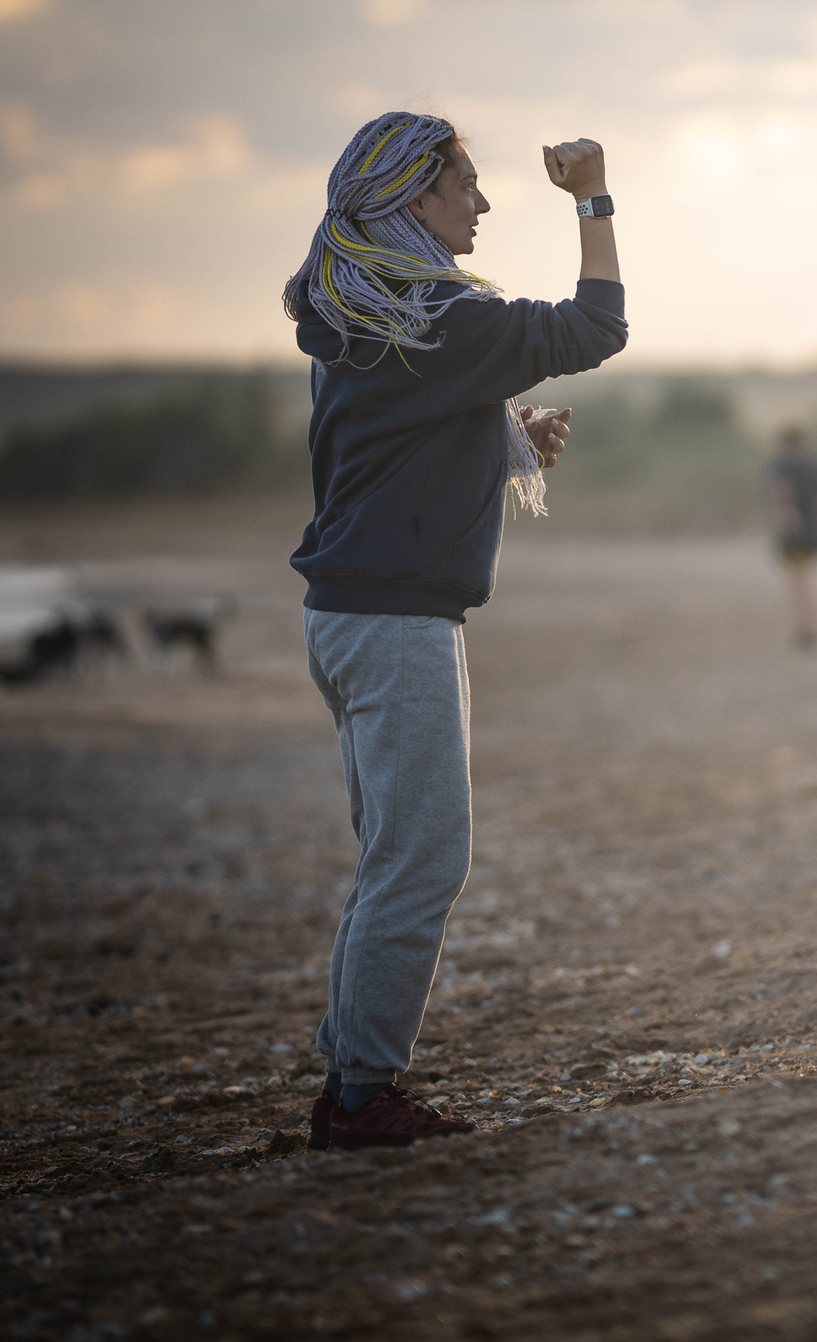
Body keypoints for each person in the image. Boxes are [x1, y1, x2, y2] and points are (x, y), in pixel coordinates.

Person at [284, 112, 629, 1148]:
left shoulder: (365, 315)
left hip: (351, 616)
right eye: (466, 186)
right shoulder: (430, 314)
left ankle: (353, 1070)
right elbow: (594, 330)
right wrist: (594, 199)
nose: (480, 204)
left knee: (395, 853)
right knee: (422, 860)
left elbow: (390, 441)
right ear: (412, 200)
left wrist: (507, 438)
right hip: (391, 623)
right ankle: (359, 1097)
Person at [767, 425, 817, 649]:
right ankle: (811, 624)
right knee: (806, 578)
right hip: (815, 530)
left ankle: (808, 627)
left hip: (795, 530)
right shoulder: (815, 465)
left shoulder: (782, 464)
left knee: (798, 581)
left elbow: (782, 492)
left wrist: (785, 518)